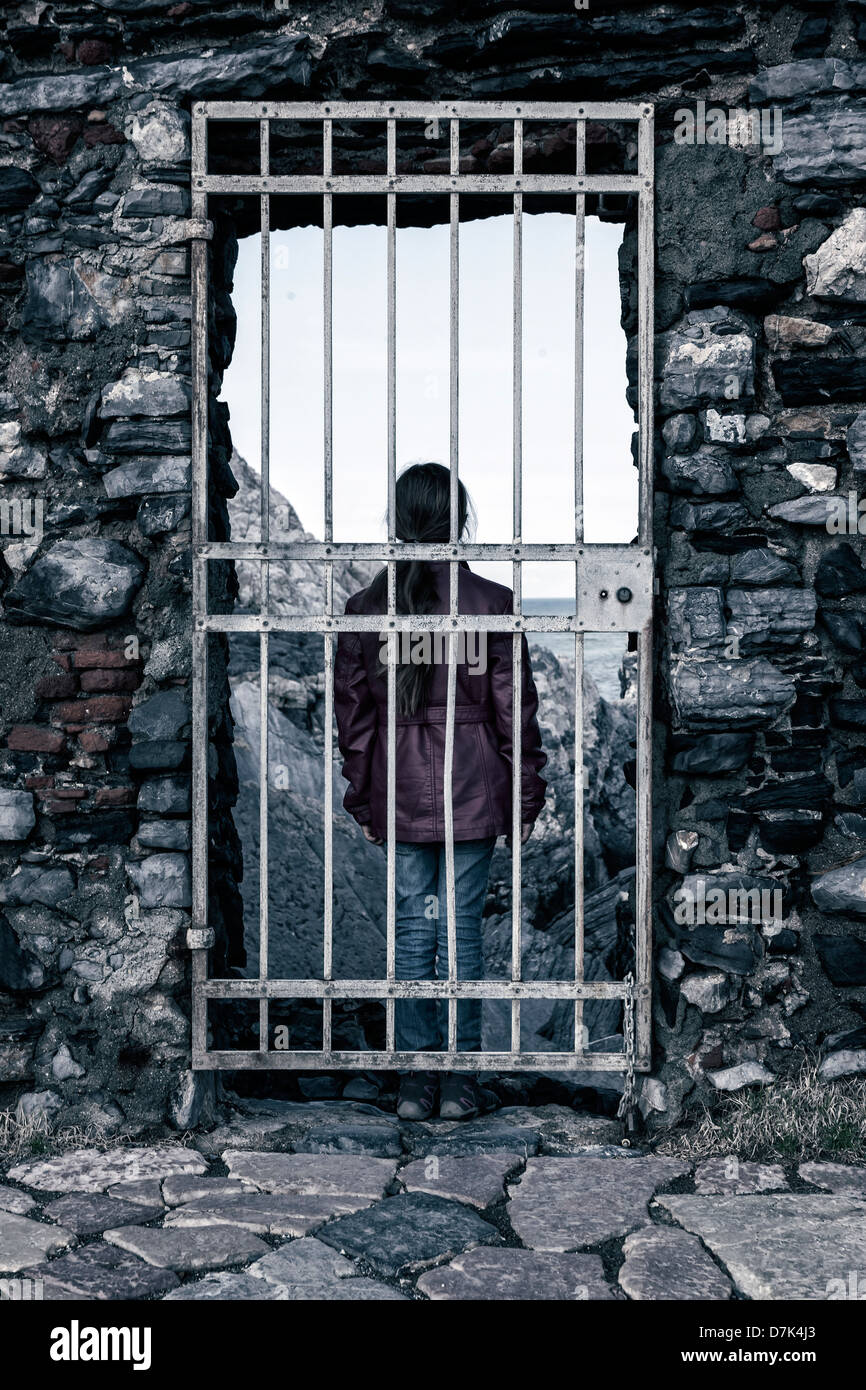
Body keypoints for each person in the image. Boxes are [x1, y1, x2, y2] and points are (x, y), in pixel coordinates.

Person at [334, 462, 547, 1120]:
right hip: (474, 788)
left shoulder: (368, 609)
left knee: (410, 935)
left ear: (397, 522)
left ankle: (414, 1081)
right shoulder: (492, 604)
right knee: (462, 935)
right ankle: (459, 1081)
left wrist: (364, 799)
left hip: (398, 791)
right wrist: (526, 794)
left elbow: (355, 719)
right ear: (459, 520)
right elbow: (516, 712)